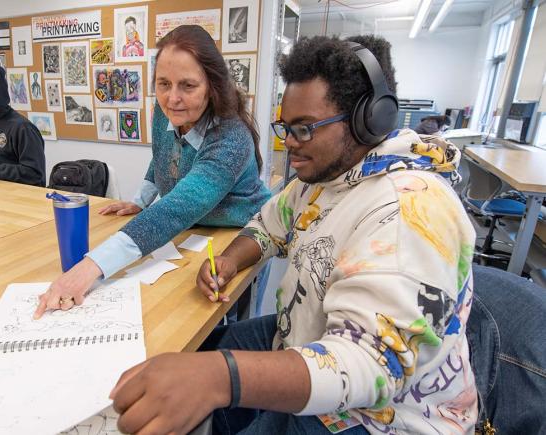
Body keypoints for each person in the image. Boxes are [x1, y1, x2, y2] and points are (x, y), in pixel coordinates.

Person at [109, 35, 478, 434]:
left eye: (304, 129)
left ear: (368, 120)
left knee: (211, 372)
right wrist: (231, 261)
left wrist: (221, 378)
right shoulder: (322, 177)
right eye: (286, 127)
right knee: (200, 349)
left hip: (376, 415)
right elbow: (268, 225)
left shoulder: (411, 211)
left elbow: (369, 368)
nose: (289, 145)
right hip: (305, 340)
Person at [33, 25, 270, 318]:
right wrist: (141, 199)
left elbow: (179, 207)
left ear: (212, 85)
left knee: (223, 320)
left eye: (188, 86)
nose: (172, 98)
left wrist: (90, 267)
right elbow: (162, 153)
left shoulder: (231, 137)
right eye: (163, 84)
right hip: (191, 232)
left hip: (235, 238)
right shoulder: (165, 111)